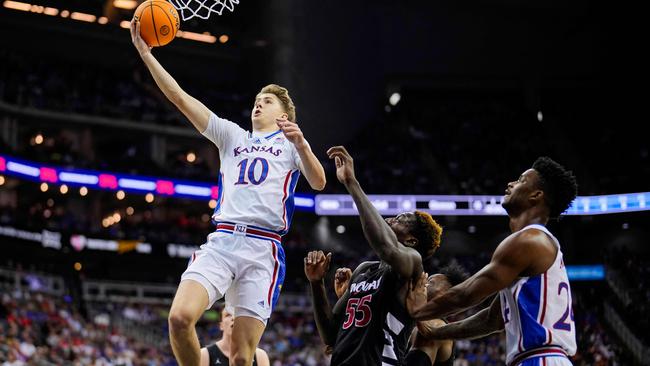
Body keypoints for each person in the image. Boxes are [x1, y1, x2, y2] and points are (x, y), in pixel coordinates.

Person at [130, 19, 327, 366]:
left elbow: (319, 182)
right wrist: (147, 54)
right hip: (223, 240)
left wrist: (304, 145)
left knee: (241, 358)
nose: (258, 104)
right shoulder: (231, 135)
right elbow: (180, 97)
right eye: (256, 100)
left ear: (284, 114)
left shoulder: (292, 144)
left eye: (266, 101)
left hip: (263, 248)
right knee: (178, 319)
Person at [409, 157, 578, 366]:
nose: (511, 184)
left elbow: (466, 294)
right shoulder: (538, 243)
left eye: (520, 181)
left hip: (540, 358)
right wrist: (437, 332)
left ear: (536, 195)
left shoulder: (528, 240)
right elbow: (492, 320)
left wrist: (416, 310)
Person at [304, 145, 443, 365]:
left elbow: (386, 248)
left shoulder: (412, 265)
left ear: (411, 241)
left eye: (399, 219)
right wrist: (317, 283)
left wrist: (352, 183)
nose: (389, 219)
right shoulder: (364, 270)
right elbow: (330, 335)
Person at [333, 264, 470, 366]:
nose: (423, 282)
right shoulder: (401, 314)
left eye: (430, 282)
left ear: (446, 295)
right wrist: (351, 301)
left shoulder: (436, 325)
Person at [200, 308, 270, 366]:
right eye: (228, 315)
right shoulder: (205, 354)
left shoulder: (260, 355)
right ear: (221, 325)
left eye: (238, 314)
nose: (234, 318)